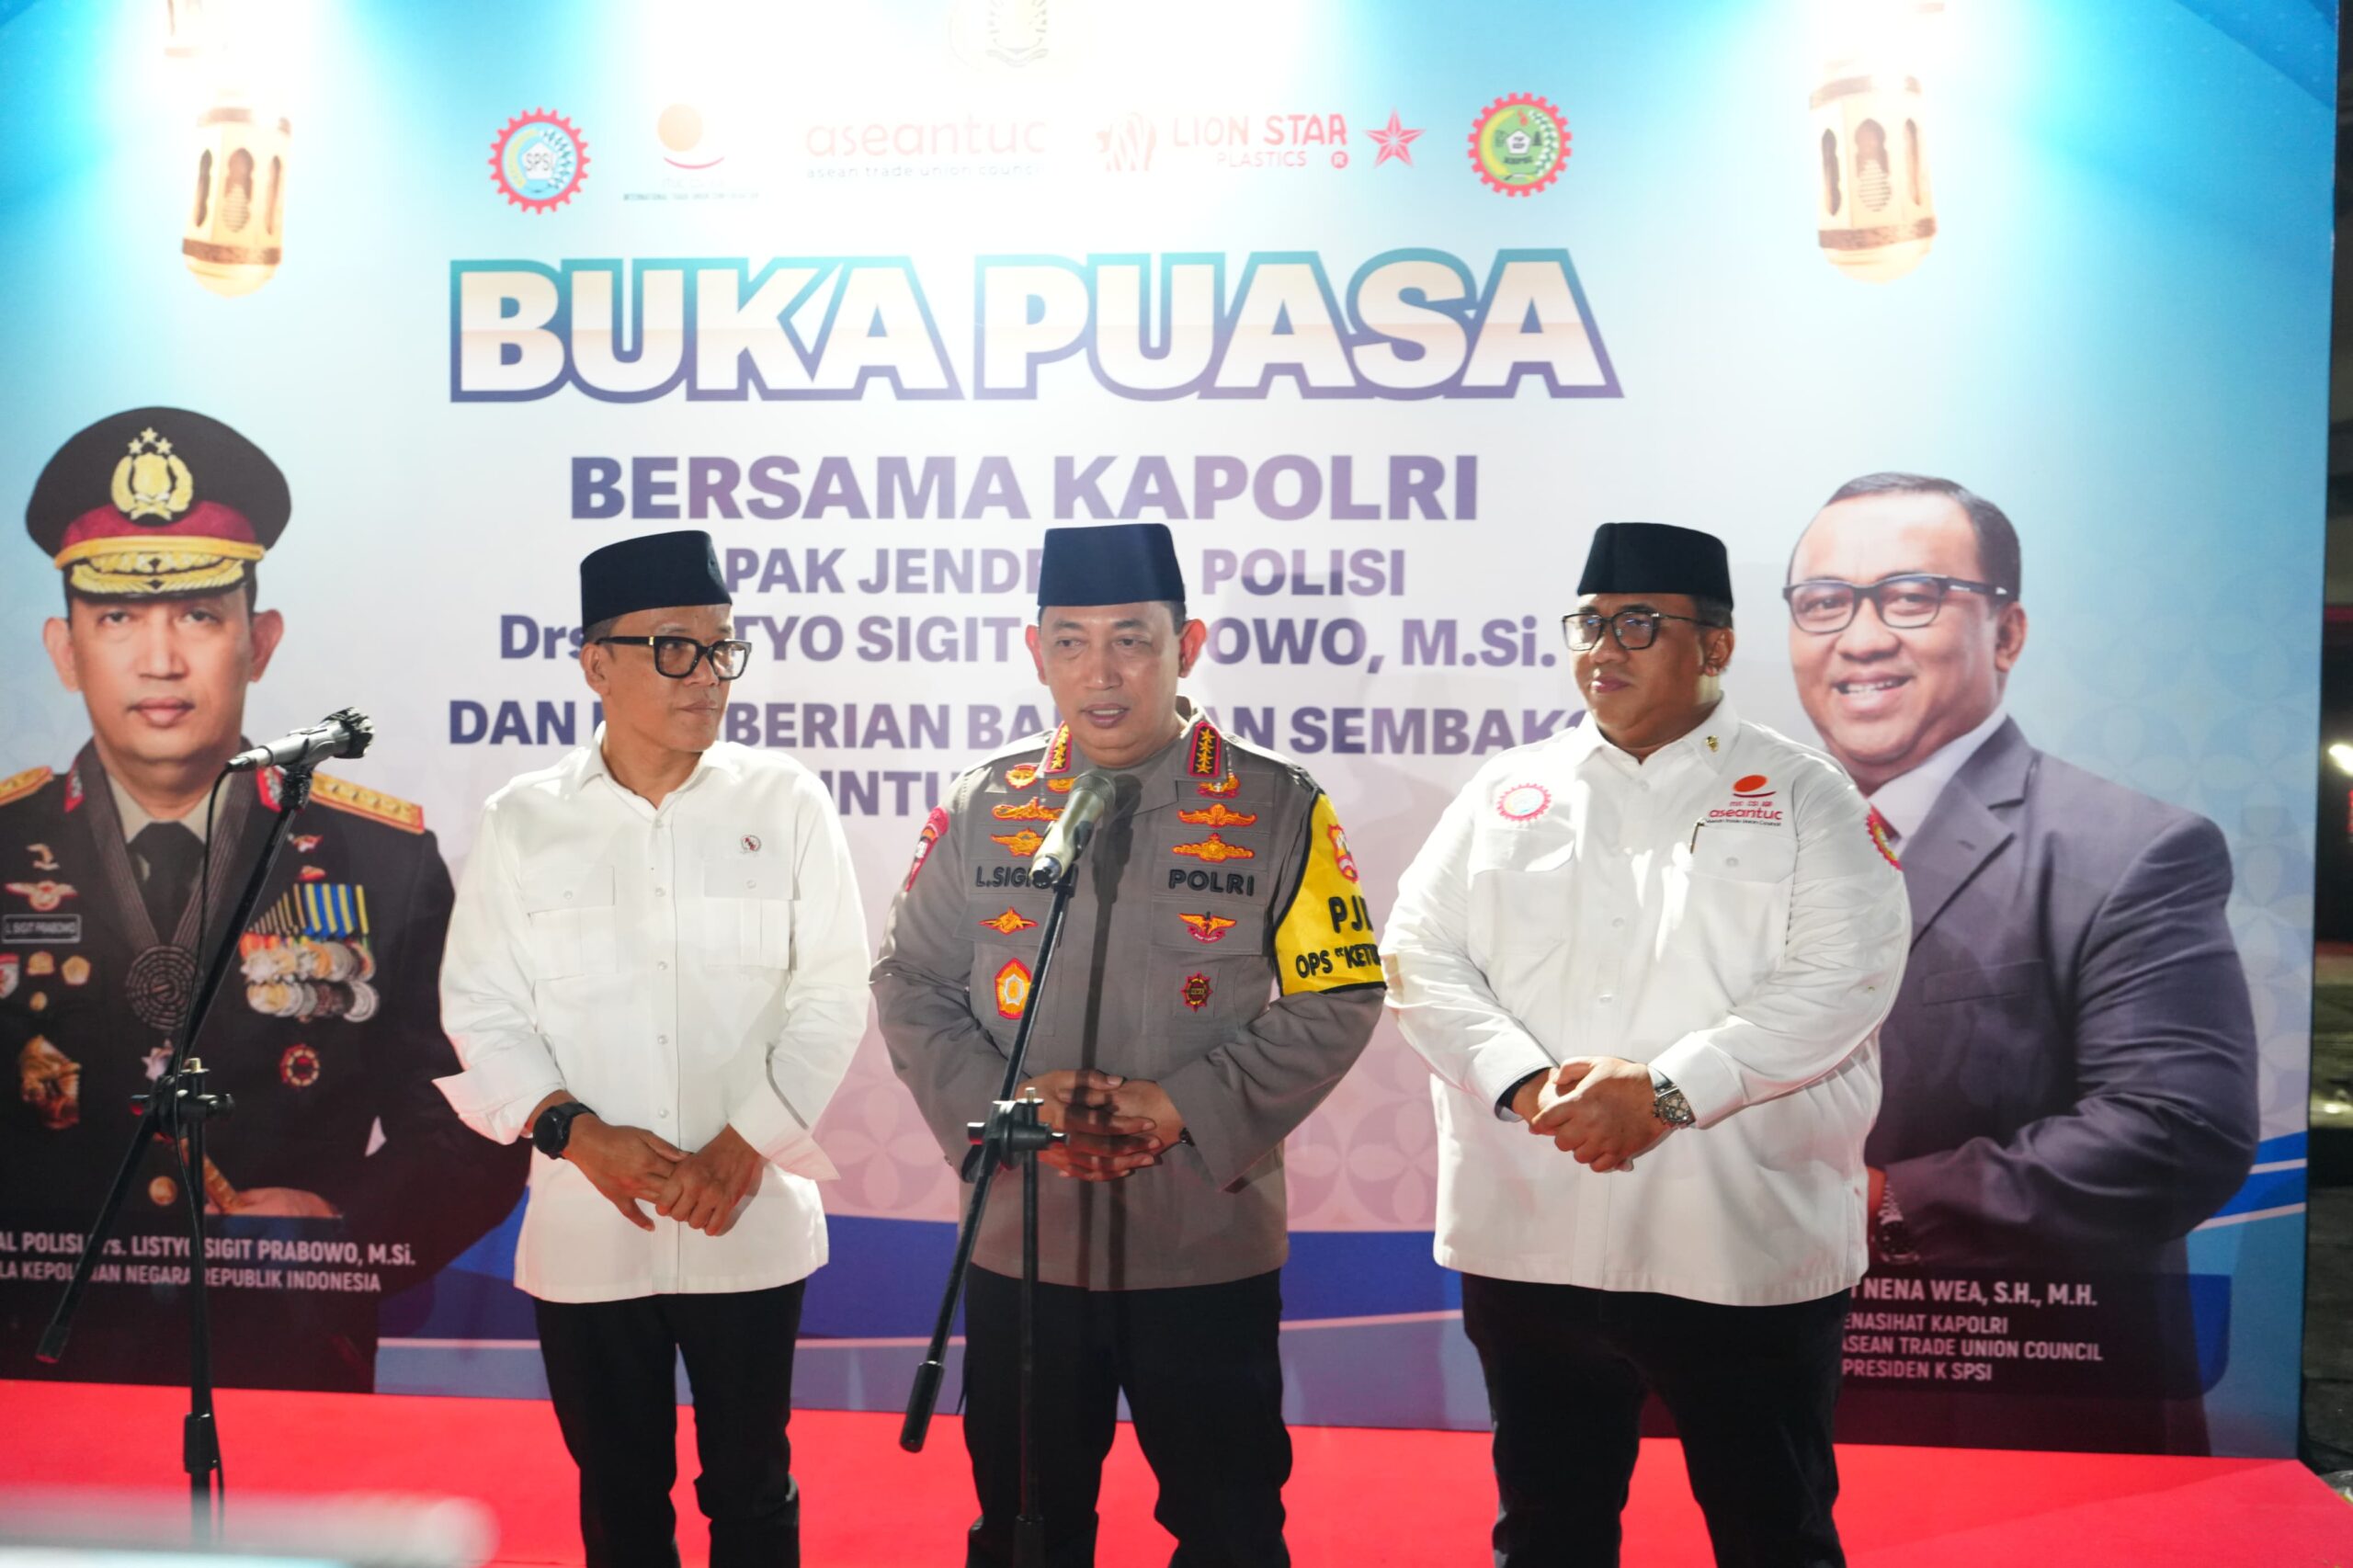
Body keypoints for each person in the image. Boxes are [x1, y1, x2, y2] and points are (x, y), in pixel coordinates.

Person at [1384, 521, 1909, 1568]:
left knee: (1775, 1534)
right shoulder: (1507, 790)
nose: (1601, 650)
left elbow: (1843, 982)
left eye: (1636, 625)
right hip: (1533, 1234)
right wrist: (1525, 1083)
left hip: (1735, 1236)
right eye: (1586, 625)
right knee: (1547, 1532)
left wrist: (1666, 1091)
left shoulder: (1804, 793)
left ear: (1716, 646)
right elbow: (1416, 958)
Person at [873, 521, 1382, 1568]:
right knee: (1026, 1533)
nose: (1099, 673)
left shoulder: (1276, 804)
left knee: (1230, 1532)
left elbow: (1339, 993)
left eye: (1131, 640)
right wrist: (1010, 1115)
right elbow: (910, 981)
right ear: (1036, 652)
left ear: (1186, 645)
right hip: (1025, 1245)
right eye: (1070, 642)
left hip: (1203, 1246)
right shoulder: (989, 802)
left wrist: (1184, 1103)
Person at [0, 406, 525, 1392]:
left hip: (287, 1355)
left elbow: (472, 1122)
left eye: (199, 614)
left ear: (261, 640)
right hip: (33, 1360)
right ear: (63, 648)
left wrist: (344, 1229)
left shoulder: (382, 862)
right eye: (117, 618)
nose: (160, 659)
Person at [1784, 472, 2258, 1451]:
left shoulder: (2131, 849)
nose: (1860, 637)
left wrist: (1881, 1205)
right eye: (1824, 602)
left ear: (2006, 633)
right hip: (1748, 1398)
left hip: (2017, 1409)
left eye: (1910, 596)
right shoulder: (1738, 839)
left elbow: (2175, 1131)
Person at [435, 528, 869, 1568]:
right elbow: (480, 1008)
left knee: (752, 1490)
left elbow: (833, 992)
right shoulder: (524, 819)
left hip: (745, 1215)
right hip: (592, 1221)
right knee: (620, 1497)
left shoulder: (785, 801)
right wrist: (579, 1136)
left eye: (722, 648)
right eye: (675, 647)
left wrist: (743, 1146)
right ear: (597, 664)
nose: (706, 674)